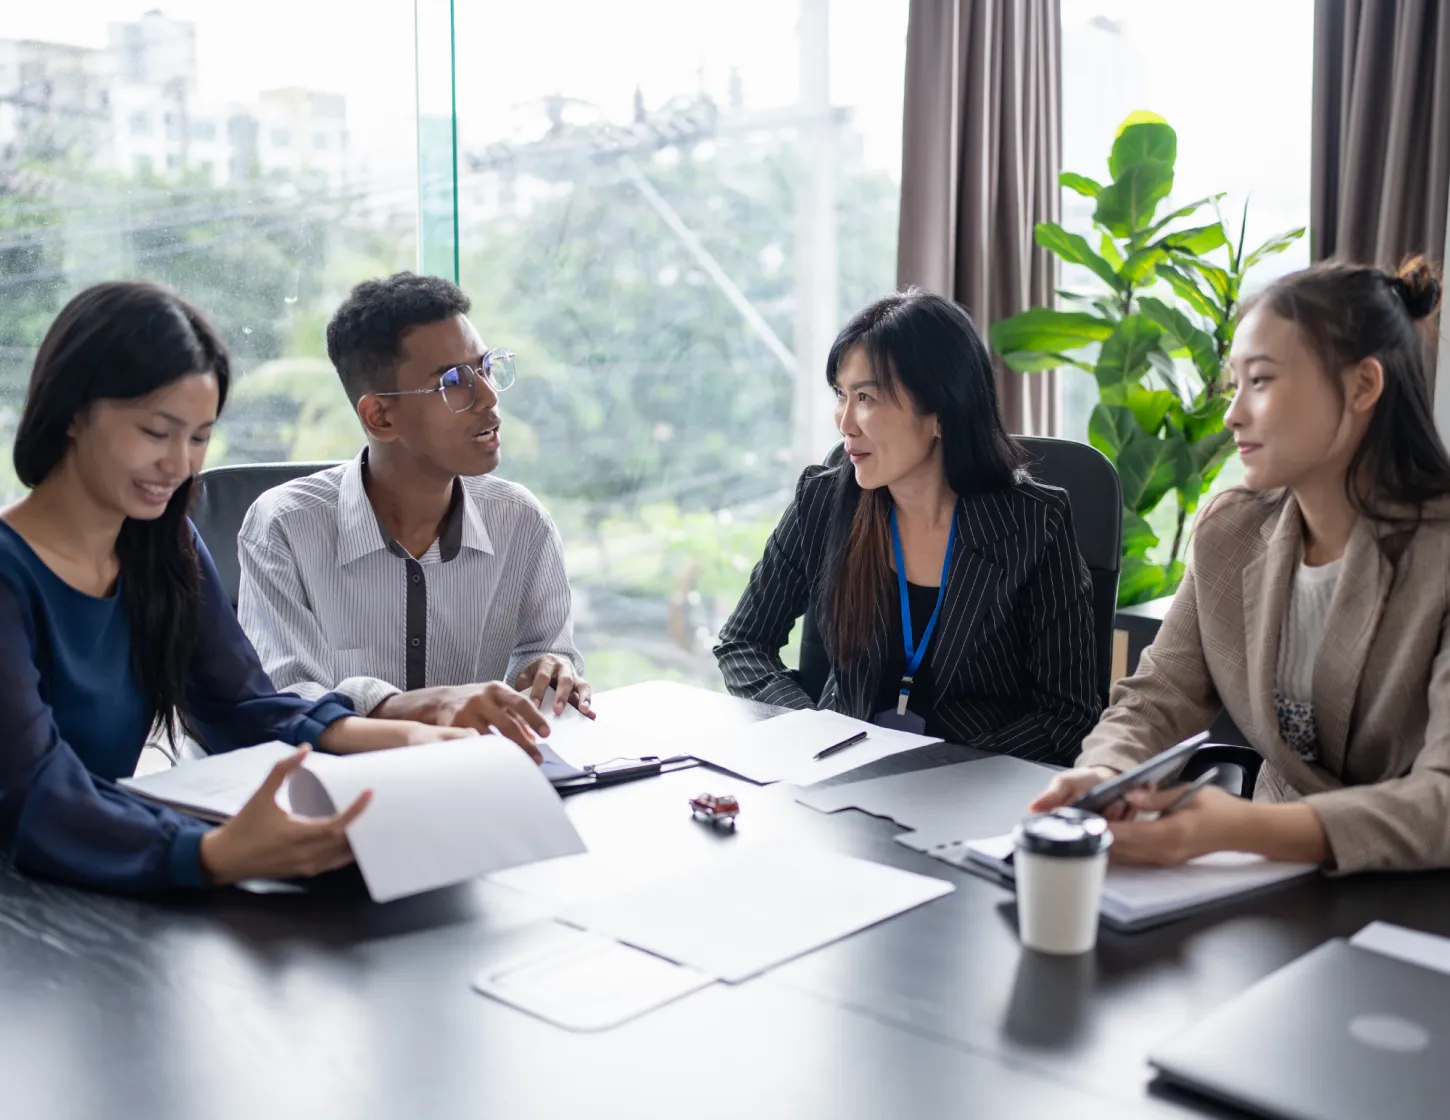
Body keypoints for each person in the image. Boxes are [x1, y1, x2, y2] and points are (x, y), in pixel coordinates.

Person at [0, 281, 478, 895]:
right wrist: (213, 853)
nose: (179, 465)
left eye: (199, 437)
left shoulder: (162, 544)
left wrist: (410, 738)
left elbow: (240, 704)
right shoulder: (11, 571)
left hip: (97, 870)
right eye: (156, 432)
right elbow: (34, 792)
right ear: (74, 413)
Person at [1031, 257, 1450, 875]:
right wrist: (1106, 771)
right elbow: (1160, 696)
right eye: (1236, 384)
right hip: (1265, 883)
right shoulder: (1231, 531)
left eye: (1261, 380)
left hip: (1414, 892)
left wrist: (1241, 828)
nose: (1232, 415)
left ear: (1363, 385)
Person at [713, 289, 1100, 763]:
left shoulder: (1035, 525)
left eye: (866, 398)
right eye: (841, 395)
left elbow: (1068, 717)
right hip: (837, 773)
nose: (845, 423)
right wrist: (813, 730)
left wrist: (940, 769)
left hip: (969, 787)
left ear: (941, 414)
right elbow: (743, 642)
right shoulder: (822, 502)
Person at [237, 273, 587, 752]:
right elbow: (287, 701)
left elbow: (546, 655)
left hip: (480, 779)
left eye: (486, 368)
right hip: (338, 784)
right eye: (454, 382)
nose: (489, 397)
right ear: (380, 417)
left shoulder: (522, 522)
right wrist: (409, 705)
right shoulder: (284, 527)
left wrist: (549, 669)